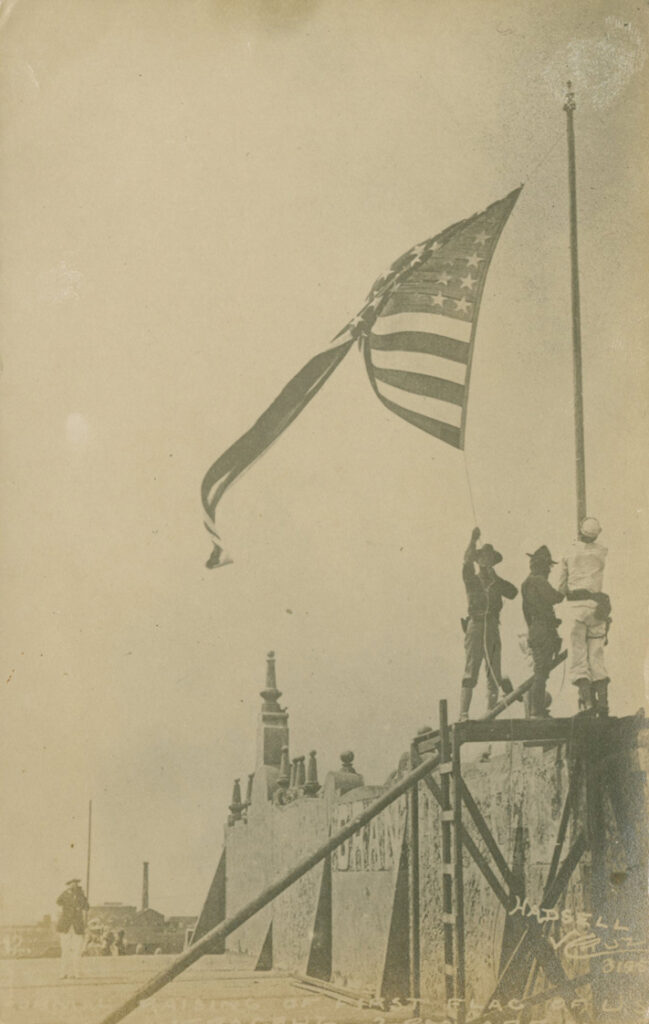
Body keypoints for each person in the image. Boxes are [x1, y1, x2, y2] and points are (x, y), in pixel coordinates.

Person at [460, 527, 518, 720]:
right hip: (476, 625)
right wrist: (472, 539)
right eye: (483, 557)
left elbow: (513, 592)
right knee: (471, 670)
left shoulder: (496, 582)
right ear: (478, 560)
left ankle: (490, 713)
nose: (487, 560)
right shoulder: (472, 579)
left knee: (494, 672)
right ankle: (464, 714)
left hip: (492, 626)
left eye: (490, 558)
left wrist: (496, 578)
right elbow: (465, 562)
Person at [558, 517, 611, 715]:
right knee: (596, 654)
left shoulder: (569, 552)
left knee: (578, 656)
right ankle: (604, 703)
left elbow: (561, 587)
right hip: (597, 607)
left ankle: (588, 704)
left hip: (576, 608)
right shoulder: (601, 552)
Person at [521, 546, 564, 718]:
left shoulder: (526, 583)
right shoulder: (538, 581)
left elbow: (526, 612)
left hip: (535, 628)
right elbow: (556, 597)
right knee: (541, 671)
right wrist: (565, 583)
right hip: (543, 630)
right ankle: (536, 710)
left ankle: (535, 709)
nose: (549, 570)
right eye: (548, 566)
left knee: (541, 670)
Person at [56, 878, 88, 979]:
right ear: (68, 885)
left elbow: (87, 907)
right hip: (65, 926)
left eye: (75, 884)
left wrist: (81, 897)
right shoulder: (64, 895)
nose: (73, 885)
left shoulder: (81, 895)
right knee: (65, 950)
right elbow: (58, 902)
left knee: (77, 951)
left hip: (77, 927)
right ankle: (63, 972)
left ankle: (76, 972)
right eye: (71, 884)